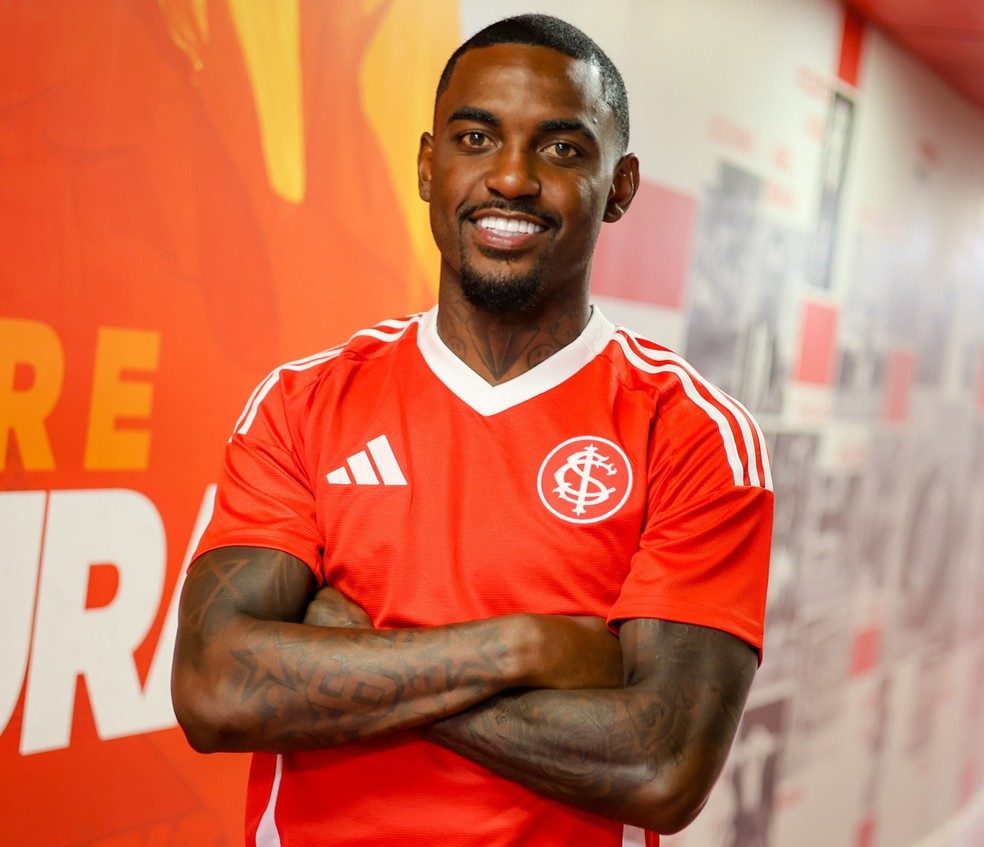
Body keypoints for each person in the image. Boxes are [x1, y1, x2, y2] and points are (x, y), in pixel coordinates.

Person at [171, 13, 774, 847]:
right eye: (476, 138)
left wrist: (358, 654)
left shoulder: (694, 434)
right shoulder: (304, 401)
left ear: (621, 186)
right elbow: (214, 688)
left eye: (561, 147)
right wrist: (521, 647)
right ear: (429, 165)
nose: (513, 178)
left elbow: (661, 767)